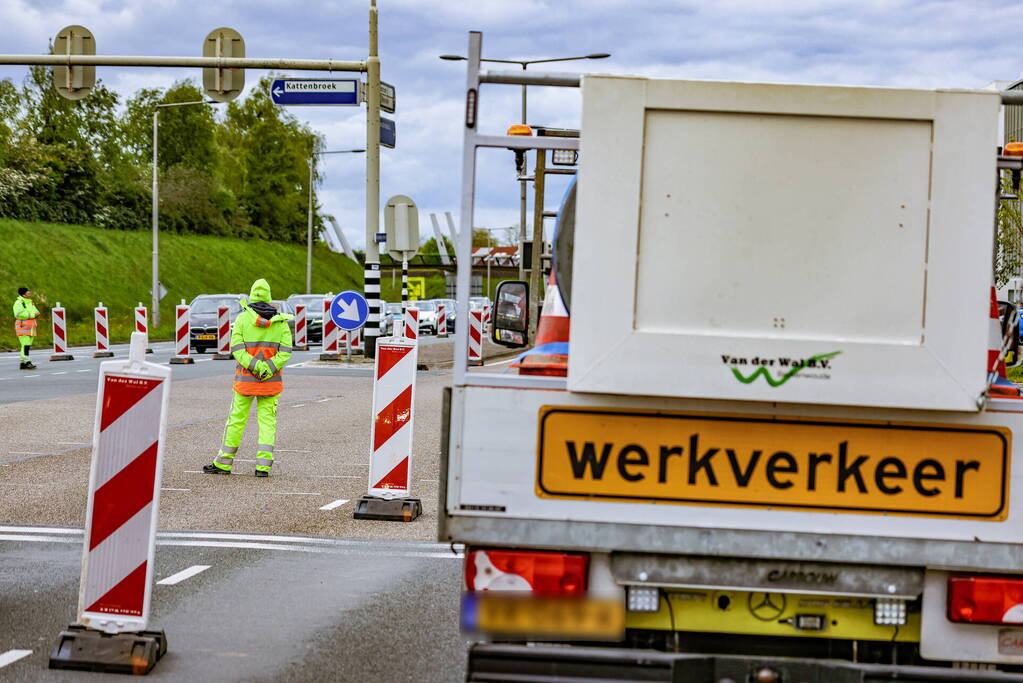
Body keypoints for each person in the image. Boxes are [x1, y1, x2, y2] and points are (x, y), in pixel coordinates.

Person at [203, 279, 293, 478]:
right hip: (270, 382)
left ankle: (224, 463)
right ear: (269, 297)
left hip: (245, 381)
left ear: (251, 296)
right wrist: (266, 368)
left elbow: (237, 350)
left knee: (235, 421)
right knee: (268, 422)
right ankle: (263, 466)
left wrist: (254, 366)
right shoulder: (281, 323)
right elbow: (285, 352)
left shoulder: (243, 319)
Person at [12, 287, 39, 370]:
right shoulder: (18, 303)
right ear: (23, 294)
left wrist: (35, 314)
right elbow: (18, 314)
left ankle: (22, 363)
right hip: (22, 326)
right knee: (26, 345)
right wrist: (32, 315)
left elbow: (36, 312)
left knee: (26, 345)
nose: (30, 294)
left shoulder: (30, 302)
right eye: (28, 293)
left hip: (31, 327)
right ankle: (27, 362)